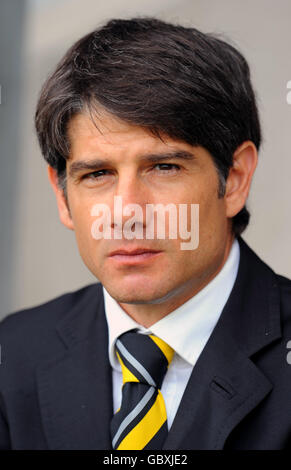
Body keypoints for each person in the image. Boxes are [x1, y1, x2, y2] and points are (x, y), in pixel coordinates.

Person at [0, 17, 290, 451]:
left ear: (234, 179)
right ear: (62, 197)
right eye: (97, 174)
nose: (127, 213)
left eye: (164, 167)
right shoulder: (14, 353)